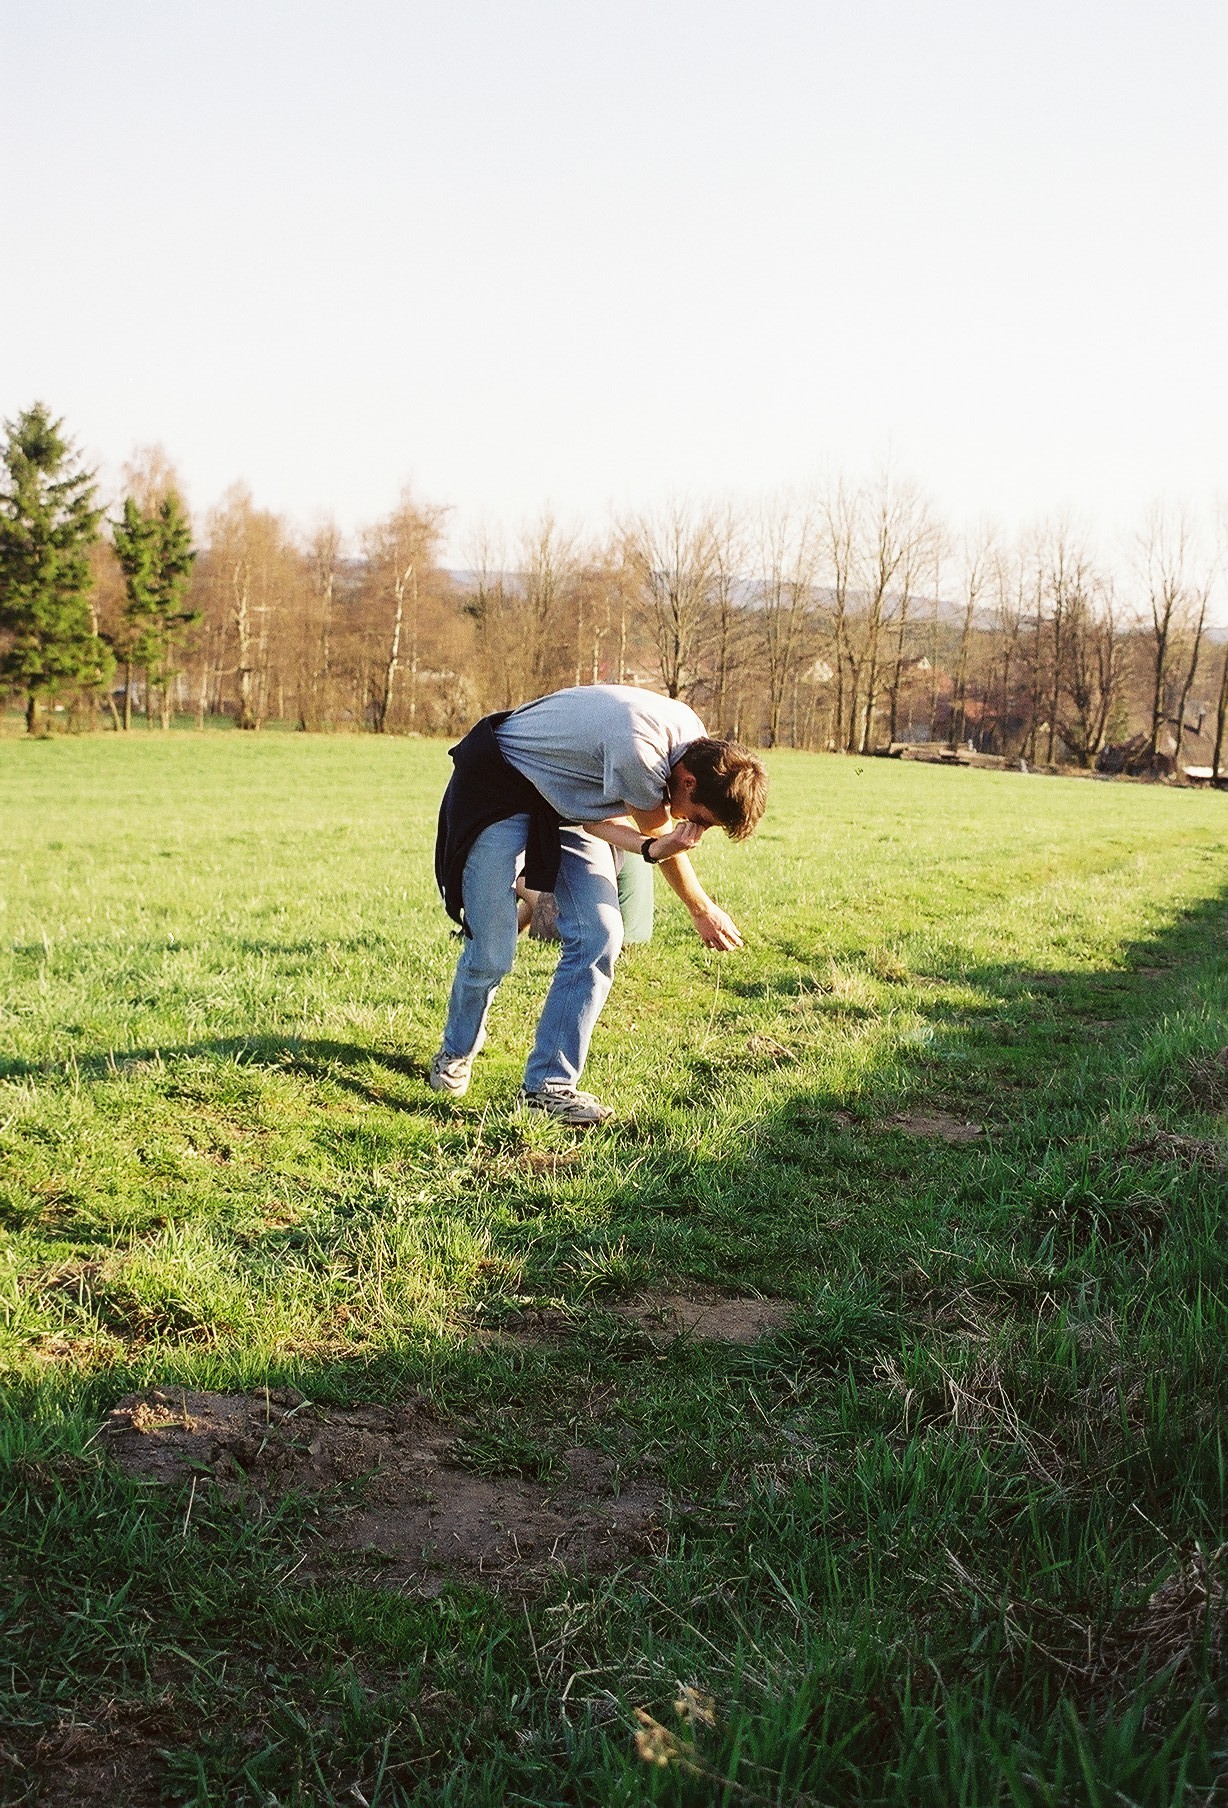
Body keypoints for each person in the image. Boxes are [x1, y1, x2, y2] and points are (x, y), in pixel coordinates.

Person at [431, 683, 767, 1125]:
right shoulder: (642, 755)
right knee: (493, 950)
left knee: (601, 935)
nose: (696, 829)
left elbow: (609, 825)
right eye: (701, 818)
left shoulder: (694, 739)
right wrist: (700, 907)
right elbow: (659, 840)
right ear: (689, 781)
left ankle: (547, 1088)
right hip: (501, 787)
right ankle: (455, 1054)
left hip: (571, 807)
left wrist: (652, 848)